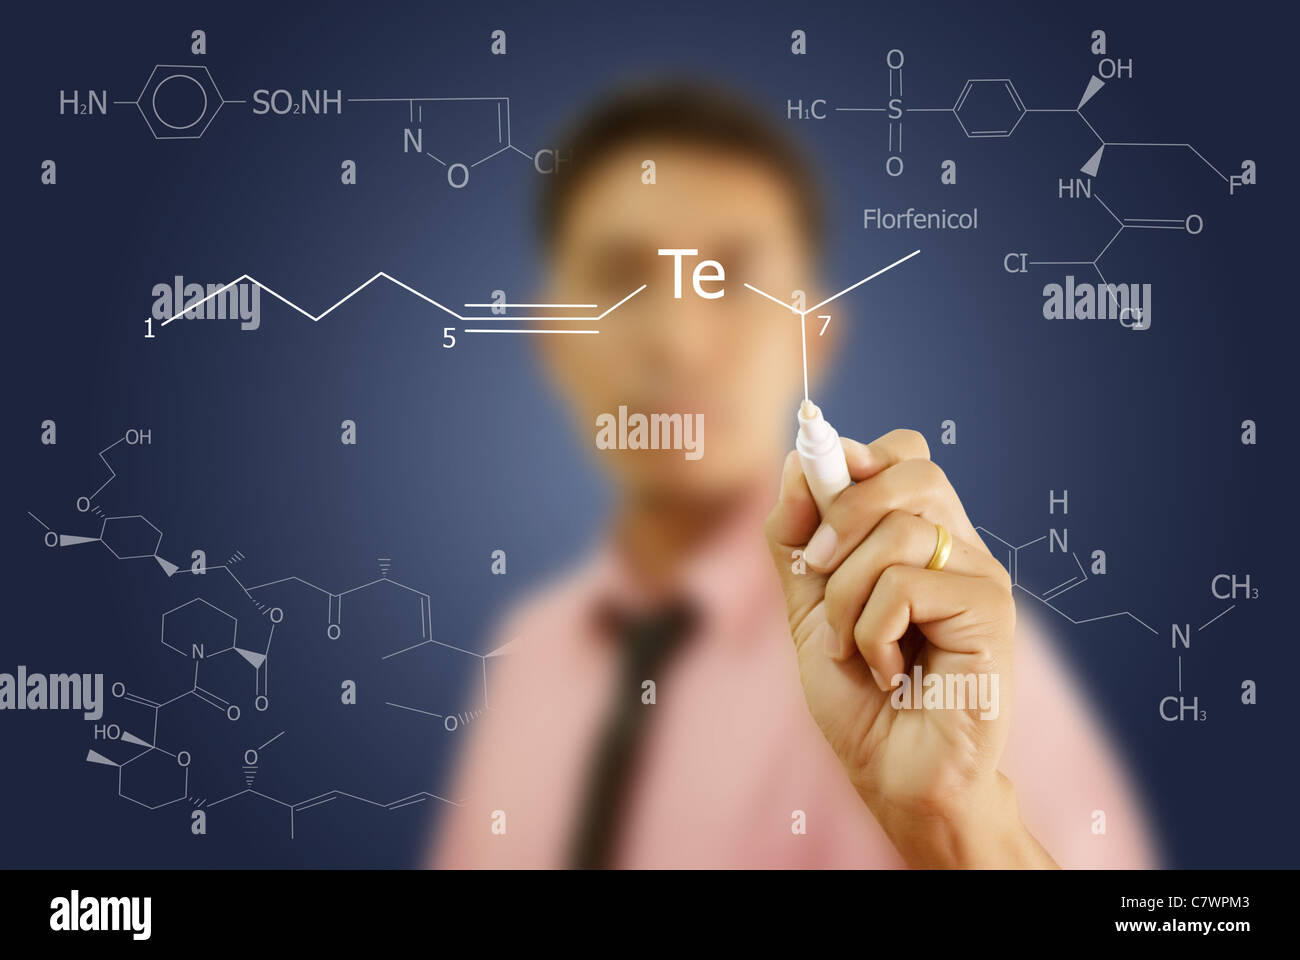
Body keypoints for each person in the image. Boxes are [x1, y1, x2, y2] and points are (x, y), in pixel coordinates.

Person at [427, 79, 1159, 869]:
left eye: (732, 279)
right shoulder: (527, 655)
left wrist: (956, 820)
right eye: (622, 281)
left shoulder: (929, 654)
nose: (677, 340)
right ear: (553, 342)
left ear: (817, 333)